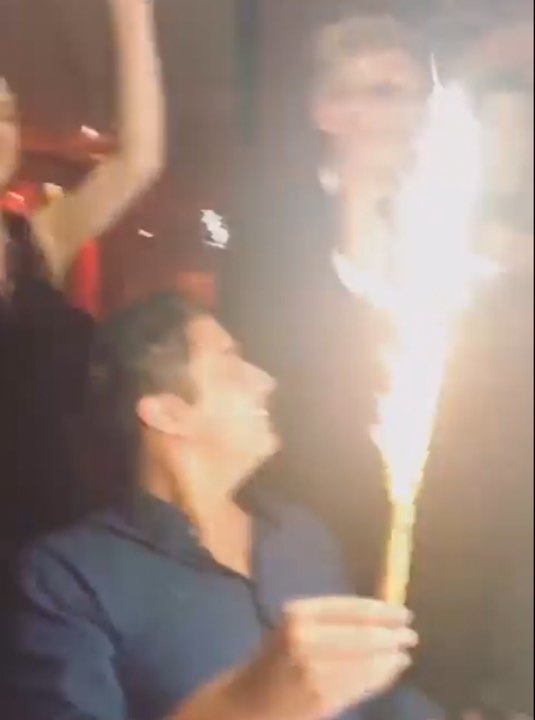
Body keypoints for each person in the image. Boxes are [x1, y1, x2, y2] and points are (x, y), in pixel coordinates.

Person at [4, 291, 443, 720]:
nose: (265, 381)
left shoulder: (299, 536)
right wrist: (244, 707)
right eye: (231, 366)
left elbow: (373, 699)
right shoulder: (68, 578)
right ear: (167, 413)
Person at [221, 10, 429, 629]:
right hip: (312, 515)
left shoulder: (453, 218)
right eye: (385, 92)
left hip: (448, 524)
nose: (409, 111)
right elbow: (267, 363)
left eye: (415, 93)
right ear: (327, 111)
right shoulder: (271, 225)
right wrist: (356, 208)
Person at [0, 0, 165, 541]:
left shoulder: (37, 240)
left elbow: (139, 161)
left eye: (7, 115)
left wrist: (132, 16)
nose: (0, 129)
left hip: (59, 526)